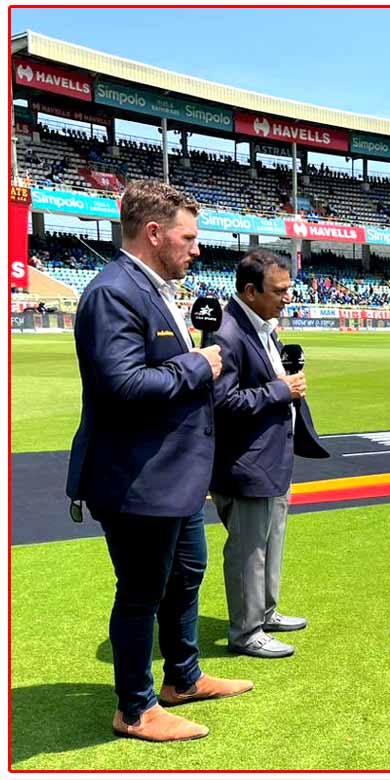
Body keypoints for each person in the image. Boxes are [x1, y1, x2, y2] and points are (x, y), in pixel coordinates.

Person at [65, 180, 253, 743]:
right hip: (136, 479)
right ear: (153, 233)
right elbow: (122, 384)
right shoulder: (112, 292)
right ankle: (135, 708)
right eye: (188, 237)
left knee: (186, 575)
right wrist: (199, 364)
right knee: (142, 591)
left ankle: (183, 678)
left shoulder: (150, 290)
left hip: (173, 477)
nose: (197, 249)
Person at [210, 249, 330, 659]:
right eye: (279, 291)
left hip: (273, 455)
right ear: (249, 290)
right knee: (249, 550)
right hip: (247, 461)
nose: (287, 297)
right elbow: (222, 403)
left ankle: (266, 612)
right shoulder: (226, 333)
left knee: (271, 541)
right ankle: (246, 632)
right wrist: (283, 389)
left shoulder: (263, 325)